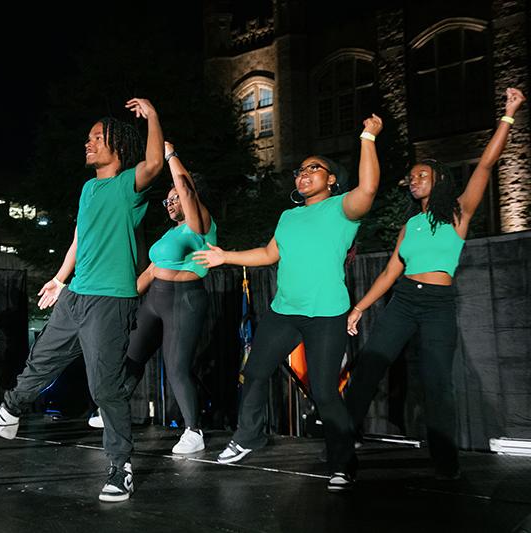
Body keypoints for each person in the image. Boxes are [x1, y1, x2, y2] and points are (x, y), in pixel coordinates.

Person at [0, 98, 164, 502]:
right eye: (88, 138)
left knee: (105, 388)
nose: (88, 143)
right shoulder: (88, 189)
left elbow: (154, 163)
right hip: (77, 294)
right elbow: (79, 238)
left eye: (96, 138)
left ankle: (121, 467)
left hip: (110, 299)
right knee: (41, 358)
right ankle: (10, 412)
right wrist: (59, 278)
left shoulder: (129, 185)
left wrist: (152, 117)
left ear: (117, 145)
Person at [195, 114, 384, 492]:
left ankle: (343, 462)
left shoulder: (343, 209)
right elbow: (269, 254)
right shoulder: (288, 217)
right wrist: (225, 256)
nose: (304, 174)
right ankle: (248, 437)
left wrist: (367, 137)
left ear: (331, 180)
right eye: (300, 170)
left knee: (325, 392)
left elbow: (369, 187)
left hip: (325, 314)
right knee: (254, 373)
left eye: (315, 168)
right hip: (284, 311)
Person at [344, 88, 526, 480]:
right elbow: (390, 272)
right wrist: (359, 307)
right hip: (403, 301)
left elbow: (486, 164)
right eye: (411, 178)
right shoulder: (410, 225)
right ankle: (341, 445)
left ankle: (446, 461)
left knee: (437, 383)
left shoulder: (459, 212)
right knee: (368, 367)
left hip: (438, 303)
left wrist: (509, 114)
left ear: (438, 179)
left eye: (421, 175)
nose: (414, 181)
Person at [121, 140, 216, 454]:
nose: (171, 203)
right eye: (168, 200)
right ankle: (113, 413)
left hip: (184, 300)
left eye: (176, 198)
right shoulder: (169, 234)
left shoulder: (200, 224)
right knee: (132, 356)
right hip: (154, 301)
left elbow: (187, 191)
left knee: (176, 367)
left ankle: (193, 431)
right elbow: (150, 272)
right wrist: (121, 298)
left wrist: (170, 155)